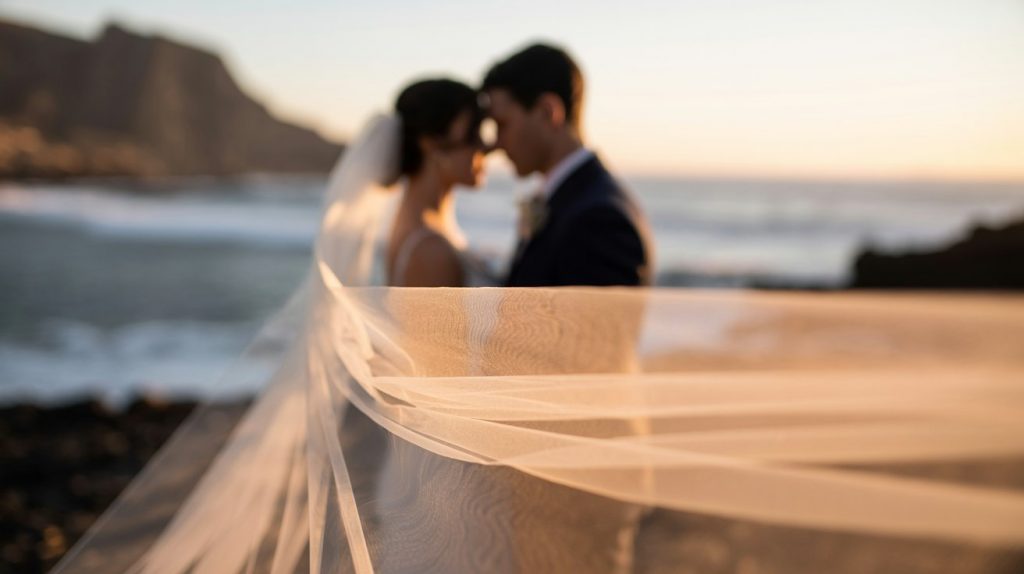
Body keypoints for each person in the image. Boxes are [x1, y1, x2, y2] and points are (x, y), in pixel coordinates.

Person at [481, 43, 654, 287]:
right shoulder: (575, 199)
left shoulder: (599, 220)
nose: (495, 143)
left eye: (502, 124)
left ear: (547, 111)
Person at [386, 78, 492, 287]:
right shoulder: (430, 251)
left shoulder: (422, 225)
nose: (485, 145)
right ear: (430, 142)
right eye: (473, 132)